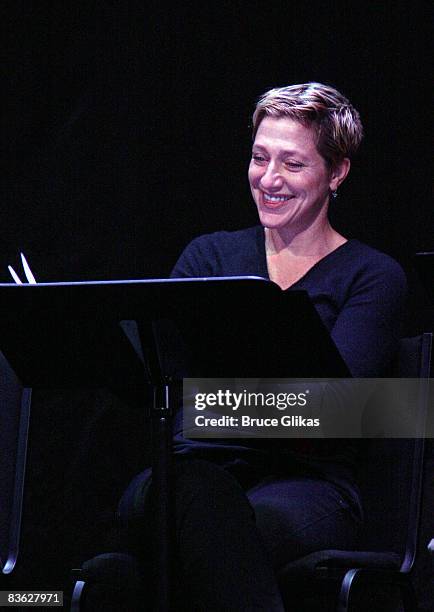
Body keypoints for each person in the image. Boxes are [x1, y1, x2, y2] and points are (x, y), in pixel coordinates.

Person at [118, 82, 407, 610]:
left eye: (292, 165)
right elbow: (159, 390)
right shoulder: (208, 258)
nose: (268, 180)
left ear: (336, 172)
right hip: (185, 472)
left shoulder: (372, 277)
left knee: (200, 533)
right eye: (259, 158)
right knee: (194, 495)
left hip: (304, 487)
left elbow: (336, 417)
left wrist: (212, 405)